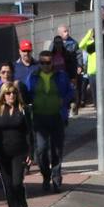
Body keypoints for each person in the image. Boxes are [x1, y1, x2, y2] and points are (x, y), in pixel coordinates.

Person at [26, 50, 74, 193]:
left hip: (57, 117)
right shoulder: (33, 76)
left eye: (48, 63)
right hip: (39, 118)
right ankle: (46, 176)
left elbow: (70, 92)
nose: (45, 66)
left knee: (57, 150)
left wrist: (63, 101)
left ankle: (56, 179)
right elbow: (27, 93)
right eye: (42, 63)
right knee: (41, 150)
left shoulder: (61, 76)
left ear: (52, 62)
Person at [0, 82, 34, 207]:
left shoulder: (23, 109)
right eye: (8, 93)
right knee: (7, 185)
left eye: (13, 92)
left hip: (19, 152)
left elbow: (29, 132)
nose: (11, 95)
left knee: (16, 183)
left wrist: (30, 153)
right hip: (3, 153)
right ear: (3, 95)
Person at [53, 25, 81, 114]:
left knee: (72, 89)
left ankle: (74, 106)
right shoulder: (52, 50)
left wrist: (79, 66)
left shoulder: (73, 43)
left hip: (68, 74)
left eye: (67, 31)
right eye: (65, 31)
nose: (67, 33)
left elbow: (78, 56)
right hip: (57, 76)